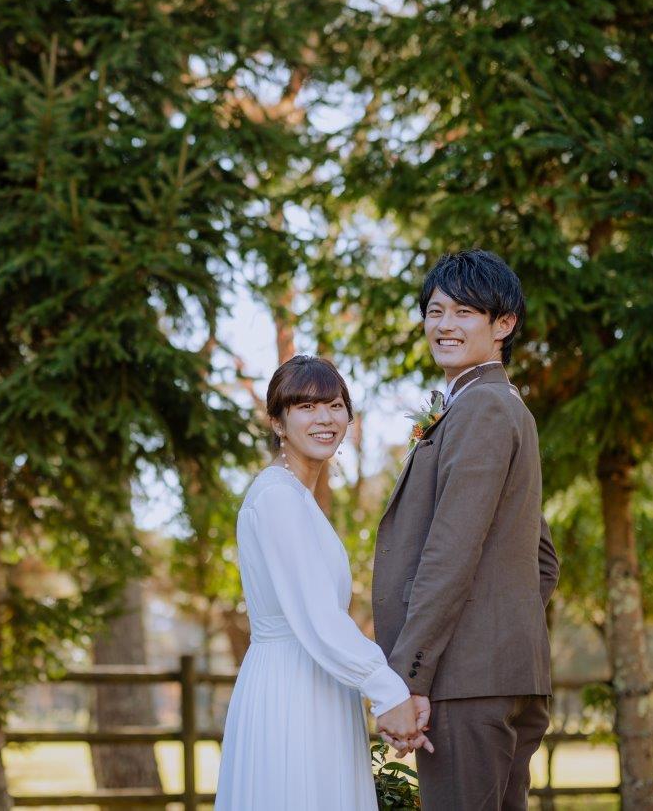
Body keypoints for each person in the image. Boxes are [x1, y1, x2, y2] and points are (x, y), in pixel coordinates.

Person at [373, 249, 560, 810]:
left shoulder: (481, 407)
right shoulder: (500, 404)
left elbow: (450, 552)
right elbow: (543, 560)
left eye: (464, 312)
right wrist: (501, 628)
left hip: (466, 684)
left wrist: (410, 678)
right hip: (504, 677)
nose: (444, 325)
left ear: (504, 324)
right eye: (435, 311)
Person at [216, 355, 432, 810]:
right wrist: (388, 692)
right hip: (292, 688)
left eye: (335, 406)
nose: (325, 418)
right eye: (306, 407)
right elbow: (318, 616)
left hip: (321, 680)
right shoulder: (277, 496)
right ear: (278, 422)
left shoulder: (297, 496)